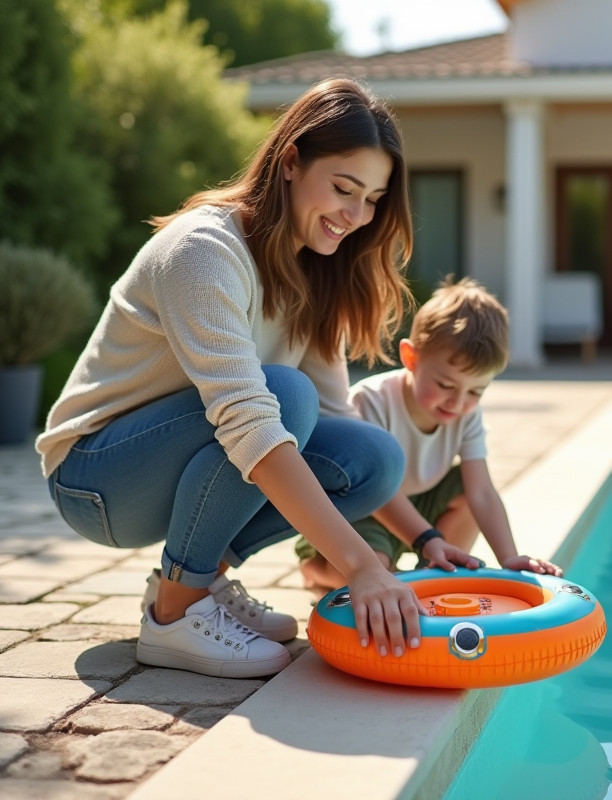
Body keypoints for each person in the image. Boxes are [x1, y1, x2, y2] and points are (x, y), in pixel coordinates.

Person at [36, 78, 431, 679]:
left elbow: (336, 426)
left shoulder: (315, 274)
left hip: (176, 462)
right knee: (281, 398)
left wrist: (425, 542)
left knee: (372, 457)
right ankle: (174, 613)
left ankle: (201, 577)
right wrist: (361, 566)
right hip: (95, 477)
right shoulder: (203, 250)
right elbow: (248, 418)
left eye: (374, 199)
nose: (357, 216)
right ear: (292, 161)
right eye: (345, 188)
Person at [297, 278, 563, 592]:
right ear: (412, 358)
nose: (459, 402)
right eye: (446, 385)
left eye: (476, 390)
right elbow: (375, 488)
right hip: (362, 509)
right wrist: (427, 539)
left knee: (467, 489)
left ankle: (437, 572)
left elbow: (482, 493)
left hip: (421, 502)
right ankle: (315, 569)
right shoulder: (371, 401)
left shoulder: (466, 413)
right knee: (374, 571)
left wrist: (510, 557)